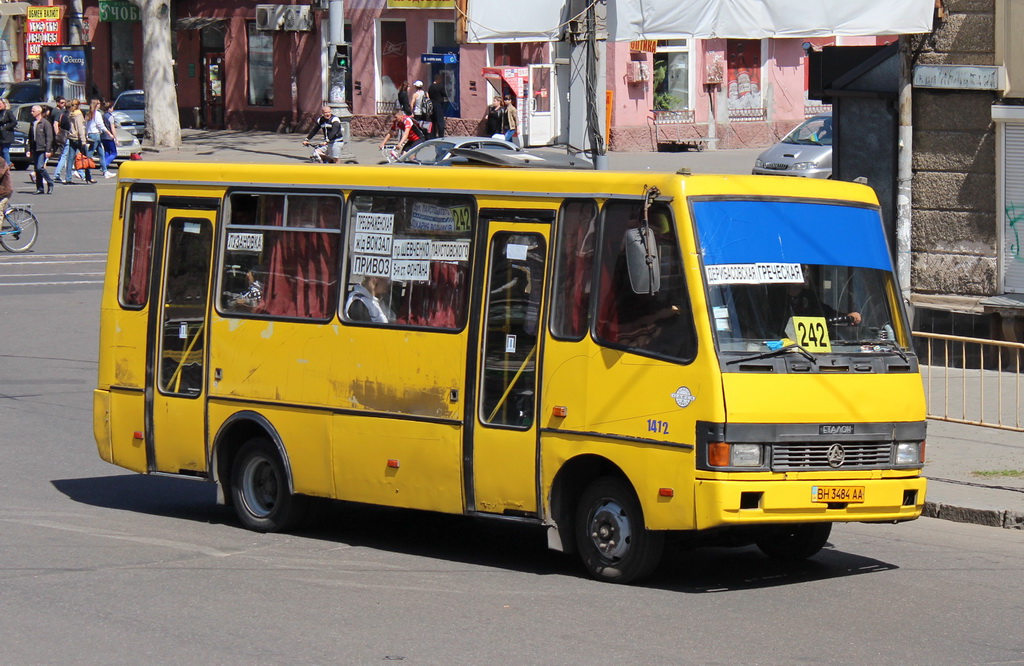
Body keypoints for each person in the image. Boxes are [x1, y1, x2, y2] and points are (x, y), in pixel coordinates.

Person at [27, 105, 55, 195]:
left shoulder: (45, 123)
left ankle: (50, 182)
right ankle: (40, 188)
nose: (31, 113)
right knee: (36, 169)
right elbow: (30, 137)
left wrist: (48, 150)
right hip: (35, 147)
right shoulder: (33, 123)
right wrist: (28, 149)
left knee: (40, 167)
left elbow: (49, 137)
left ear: (39, 112)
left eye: (33, 111)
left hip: (42, 148)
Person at [67, 99, 95, 184]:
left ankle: (68, 178)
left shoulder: (71, 113)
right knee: (86, 158)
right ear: (79, 105)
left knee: (70, 158)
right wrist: (83, 141)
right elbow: (80, 128)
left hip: (72, 137)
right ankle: (88, 177)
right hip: (78, 138)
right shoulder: (78, 114)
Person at [85, 98, 115, 178]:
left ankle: (105, 171)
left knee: (101, 153)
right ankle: (80, 170)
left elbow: (86, 126)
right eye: (98, 103)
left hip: (92, 134)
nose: (99, 105)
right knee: (89, 154)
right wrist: (109, 134)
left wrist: (86, 134)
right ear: (96, 105)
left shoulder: (89, 113)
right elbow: (101, 125)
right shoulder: (97, 114)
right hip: (95, 135)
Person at [51, 97, 72, 183]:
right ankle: (57, 175)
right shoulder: (60, 113)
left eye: (64, 103)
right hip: (64, 137)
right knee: (64, 156)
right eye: (61, 102)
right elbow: (55, 124)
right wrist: (58, 135)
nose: (62, 104)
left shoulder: (61, 113)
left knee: (63, 155)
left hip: (61, 136)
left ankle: (80, 173)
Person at [427, 72, 447, 139]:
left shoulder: (431, 87)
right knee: (440, 121)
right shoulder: (440, 86)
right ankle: (441, 135)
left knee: (433, 121)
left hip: (432, 105)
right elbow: (445, 94)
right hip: (438, 105)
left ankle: (433, 135)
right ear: (438, 79)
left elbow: (429, 95)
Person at [101, 101, 120, 172]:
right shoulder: (110, 117)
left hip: (103, 136)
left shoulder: (103, 116)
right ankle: (104, 165)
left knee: (107, 152)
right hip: (109, 137)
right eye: (112, 108)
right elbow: (113, 128)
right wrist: (116, 139)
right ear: (109, 109)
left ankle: (104, 166)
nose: (113, 109)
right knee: (114, 153)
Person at [0, 99, 16, 167]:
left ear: (4, 104)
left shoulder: (8, 112)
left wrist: (5, 127)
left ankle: (8, 163)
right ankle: (3, 164)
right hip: (1, 135)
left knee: (5, 150)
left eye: (0, 104)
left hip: (7, 135)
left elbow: (14, 122)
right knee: (1, 151)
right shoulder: (0, 113)